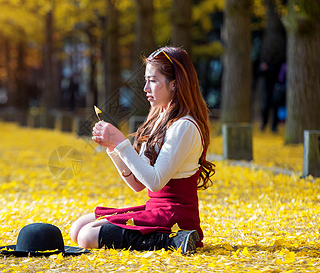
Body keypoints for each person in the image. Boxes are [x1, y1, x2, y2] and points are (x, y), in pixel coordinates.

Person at [70, 46, 215, 254]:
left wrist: (122, 143)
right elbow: (138, 184)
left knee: (86, 236)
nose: (145, 88)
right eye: (145, 80)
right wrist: (114, 148)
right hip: (155, 209)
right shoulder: (158, 118)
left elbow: (154, 182)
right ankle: (168, 238)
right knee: (77, 229)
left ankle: (175, 240)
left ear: (174, 85)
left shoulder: (184, 126)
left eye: (153, 81)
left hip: (175, 216)